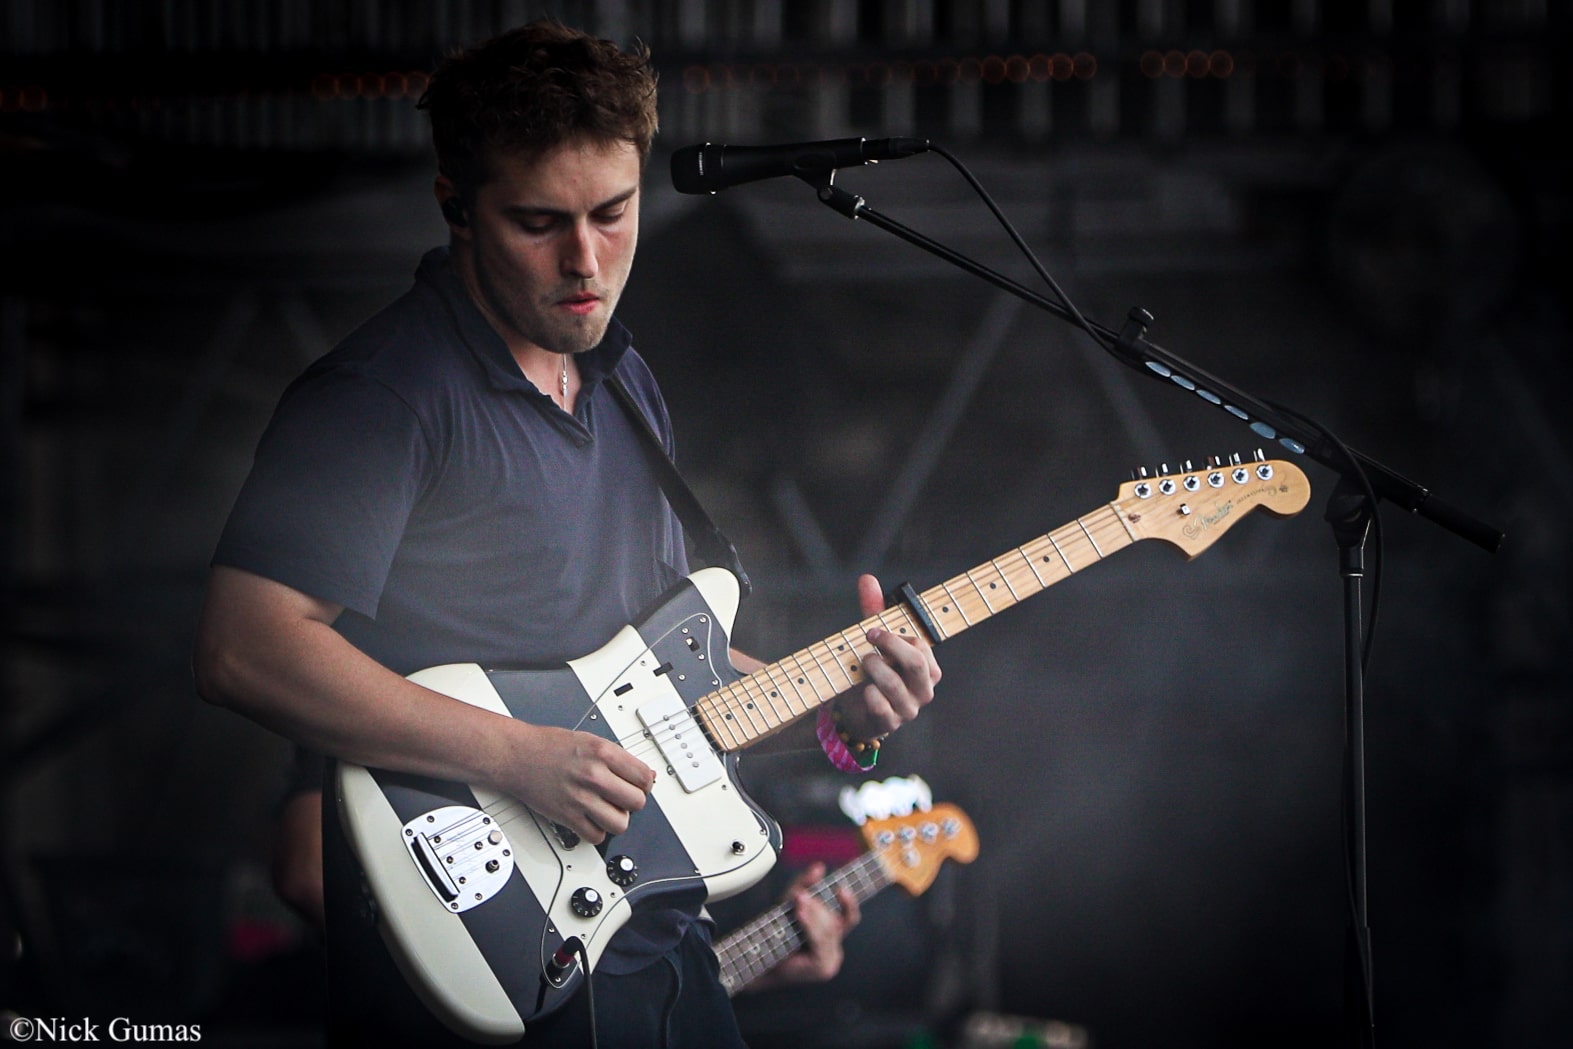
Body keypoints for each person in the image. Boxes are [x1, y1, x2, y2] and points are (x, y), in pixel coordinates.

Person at [193, 18, 940, 1049]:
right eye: (538, 222)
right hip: (492, 971)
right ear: (456, 205)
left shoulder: (624, 383)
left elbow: (665, 681)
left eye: (613, 212)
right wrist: (515, 755)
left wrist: (836, 701)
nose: (584, 260)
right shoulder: (381, 397)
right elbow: (242, 644)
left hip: (659, 956)